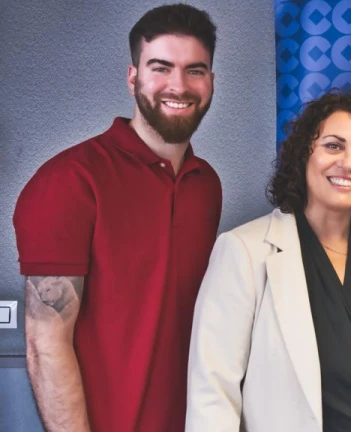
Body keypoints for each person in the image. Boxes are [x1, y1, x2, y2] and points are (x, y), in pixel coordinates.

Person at [14, 4, 221, 431]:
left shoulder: (206, 185)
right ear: (133, 78)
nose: (179, 85)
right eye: (161, 68)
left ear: (211, 81)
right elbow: (45, 345)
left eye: (195, 70)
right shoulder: (69, 181)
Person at [186, 91, 351, 432]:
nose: (348, 163)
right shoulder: (243, 251)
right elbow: (213, 395)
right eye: (333, 146)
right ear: (305, 152)